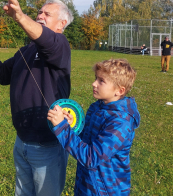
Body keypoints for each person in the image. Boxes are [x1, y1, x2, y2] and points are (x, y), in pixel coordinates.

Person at [0, 0, 73, 196]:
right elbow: (2, 75)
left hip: (47, 144)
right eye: (40, 12)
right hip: (22, 141)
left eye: (47, 14)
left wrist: (19, 16)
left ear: (61, 24)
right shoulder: (26, 51)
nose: (40, 15)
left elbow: (45, 38)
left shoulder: (61, 45)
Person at [48, 58, 140, 196]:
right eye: (96, 78)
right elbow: (88, 141)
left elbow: (91, 157)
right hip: (86, 184)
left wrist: (62, 128)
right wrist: (72, 126)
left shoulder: (121, 121)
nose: (94, 83)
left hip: (106, 190)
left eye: (101, 81)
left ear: (119, 91)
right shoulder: (96, 107)